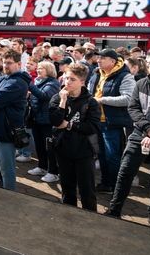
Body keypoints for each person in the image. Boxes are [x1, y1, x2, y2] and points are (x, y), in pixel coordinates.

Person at [105, 54, 150, 228]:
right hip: (139, 133)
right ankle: (114, 209)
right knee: (125, 171)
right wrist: (149, 130)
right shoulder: (141, 83)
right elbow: (133, 108)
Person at [49, 63, 100, 211]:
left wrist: (70, 125)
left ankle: (91, 218)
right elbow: (56, 121)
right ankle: (68, 216)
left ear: (82, 82)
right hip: (63, 149)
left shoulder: (90, 102)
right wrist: (63, 102)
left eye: (72, 79)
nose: (67, 82)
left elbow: (92, 127)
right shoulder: (57, 97)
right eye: (66, 78)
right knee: (67, 188)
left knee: (87, 190)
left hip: (84, 151)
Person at [0, 49, 31, 191]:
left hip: (5, 133)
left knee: (6, 168)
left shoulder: (18, 83)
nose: (5, 66)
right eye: (4, 63)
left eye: (9, 63)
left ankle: (10, 198)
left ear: (19, 64)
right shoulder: (1, 78)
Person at [87, 48, 136, 194]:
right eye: (98, 58)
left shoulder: (125, 76)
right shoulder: (97, 72)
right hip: (97, 121)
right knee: (101, 154)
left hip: (112, 123)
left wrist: (101, 100)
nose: (99, 60)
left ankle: (115, 186)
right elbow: (91, 92)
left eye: (102, 58)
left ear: (113, 61)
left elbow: (128, 99)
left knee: (112, 155)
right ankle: (106, 183)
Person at [27, 61, 61, 182]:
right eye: (38, 67)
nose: (38, 70)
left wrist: (30, 86)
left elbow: (44, 96)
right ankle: (42, 166)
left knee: (49, 147)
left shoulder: (53, 83)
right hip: (37, 119)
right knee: (39, 145)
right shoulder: (38, 81)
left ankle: (53, 171)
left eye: (41, 68)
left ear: (49, 70)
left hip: (47, 120)